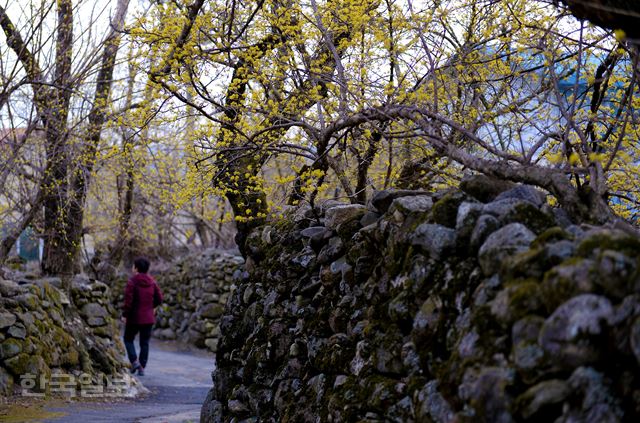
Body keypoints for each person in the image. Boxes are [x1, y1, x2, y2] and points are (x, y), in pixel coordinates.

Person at [122, 257, 163, 376]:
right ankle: (142, 367)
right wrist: (151, 307)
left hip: (134, 318)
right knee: (144, 343)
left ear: (136, 268)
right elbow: (159, 299)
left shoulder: (132, 282)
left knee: (128, 339)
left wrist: (125, 315)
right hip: (148, 318)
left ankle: (134, 362)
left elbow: (128, 302)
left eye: (133, 266)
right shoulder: (152, 282)